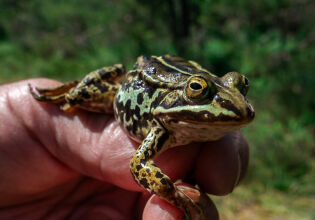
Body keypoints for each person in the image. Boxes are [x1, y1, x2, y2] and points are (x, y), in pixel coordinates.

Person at [0, 79, 249, 220]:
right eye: (197, 90)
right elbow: (138, 164)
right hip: (141, 81)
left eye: (241, 88)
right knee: (78, 96)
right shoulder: (163, 129)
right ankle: (70, 91)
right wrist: (173, 195)